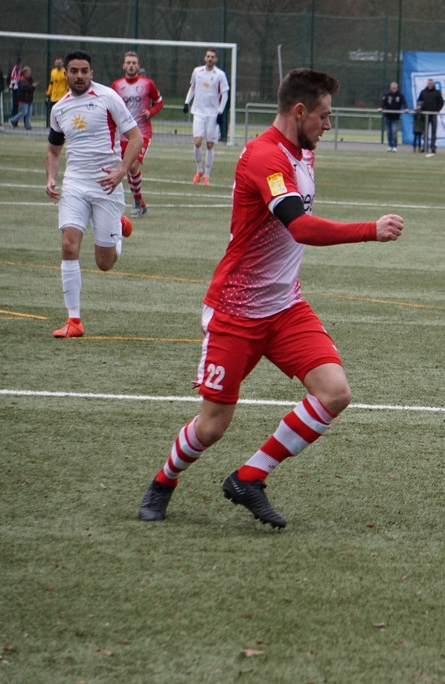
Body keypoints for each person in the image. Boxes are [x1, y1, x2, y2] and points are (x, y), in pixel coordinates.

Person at [137, 68, 404, 526]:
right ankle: (163, 481)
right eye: (324, 116)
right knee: (212, 425)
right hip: (236, 311)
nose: (328, 124)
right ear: (298, 111)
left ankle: (250, 478)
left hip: (285, 308)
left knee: (335, 393)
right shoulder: (264, 157)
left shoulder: (303, 151)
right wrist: (369, 231)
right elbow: (299, 226)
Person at [46, 50, 142, 339]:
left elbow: (135, 138)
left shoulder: (108, 98)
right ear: (66, 73)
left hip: (106, 185)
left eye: (84, 71)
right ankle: (74, 321)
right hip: (74, 184)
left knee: (104, 263)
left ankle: (118, 224)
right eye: (73, 71)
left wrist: (121, 171)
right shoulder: (59, 108)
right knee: (68, 246)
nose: (79, 76)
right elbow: (53, 149)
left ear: (91, 72)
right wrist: (51, 176)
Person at [112, 51, 164, 217]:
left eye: (134, 62)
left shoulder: (148, 84)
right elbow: (111, 107)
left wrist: (151, 112)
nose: (131, 65)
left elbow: (159, 102)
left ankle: (136, 202)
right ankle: (140, 202)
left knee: (133, 166)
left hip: (142, 133)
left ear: (138, 66)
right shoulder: (116, 85)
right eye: (128, 62)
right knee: (127, 169)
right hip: (123, 134)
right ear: (123, 65)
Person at [184, 49, 229, 184]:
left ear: (215, 60)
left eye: (212, 57)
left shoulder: (220, 74)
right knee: (197, 142)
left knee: (210, 144)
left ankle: (207, 176)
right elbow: (193, 87)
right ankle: (199, 170)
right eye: (208, 56)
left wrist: (220, 111)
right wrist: (187, 102)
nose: (210, 59)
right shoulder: (197, 71)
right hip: (198, 112)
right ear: (204, 58)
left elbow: (225, 94)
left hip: (212, 114)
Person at [416, 78, 444, 155]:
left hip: (433, 114)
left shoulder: (437, 92)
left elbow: (441, 102)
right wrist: (419, 107)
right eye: (429, 83)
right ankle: (425, 147)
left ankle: (433, 147)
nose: (430, 85)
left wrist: (437, 110)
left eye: (431, 84)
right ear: (427, 84)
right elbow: (419, 101)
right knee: (425, 132)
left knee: (434, 132)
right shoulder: (423, 92)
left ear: (433, 84)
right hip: (425, 115)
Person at [379, 81, 407, 152]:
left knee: (394, 131)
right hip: (387, 116)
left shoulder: (400, 95)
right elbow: (383, 103)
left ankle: (394, 146)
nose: (393, 89)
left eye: (395, 88)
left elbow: (403, 102)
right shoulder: (387, 95)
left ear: (397, 88)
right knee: (388, 132)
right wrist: (381, 108)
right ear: (390, 88)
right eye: (392, 88)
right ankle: (390, 145)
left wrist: (406, 108)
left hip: (395, 117)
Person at [45, 58, 68, 129]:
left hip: (62, 96)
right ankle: (54, 126)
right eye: (57, 63)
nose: (58, 64)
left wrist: (68, 91)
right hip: (54, 96)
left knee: (62, 112)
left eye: (59, 63)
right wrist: (49, 93)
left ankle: (62, 125)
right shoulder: (53, 72)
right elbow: (51, 83)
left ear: (62, 64)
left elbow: (68, 83)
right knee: (54, 112)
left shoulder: (65, 72)